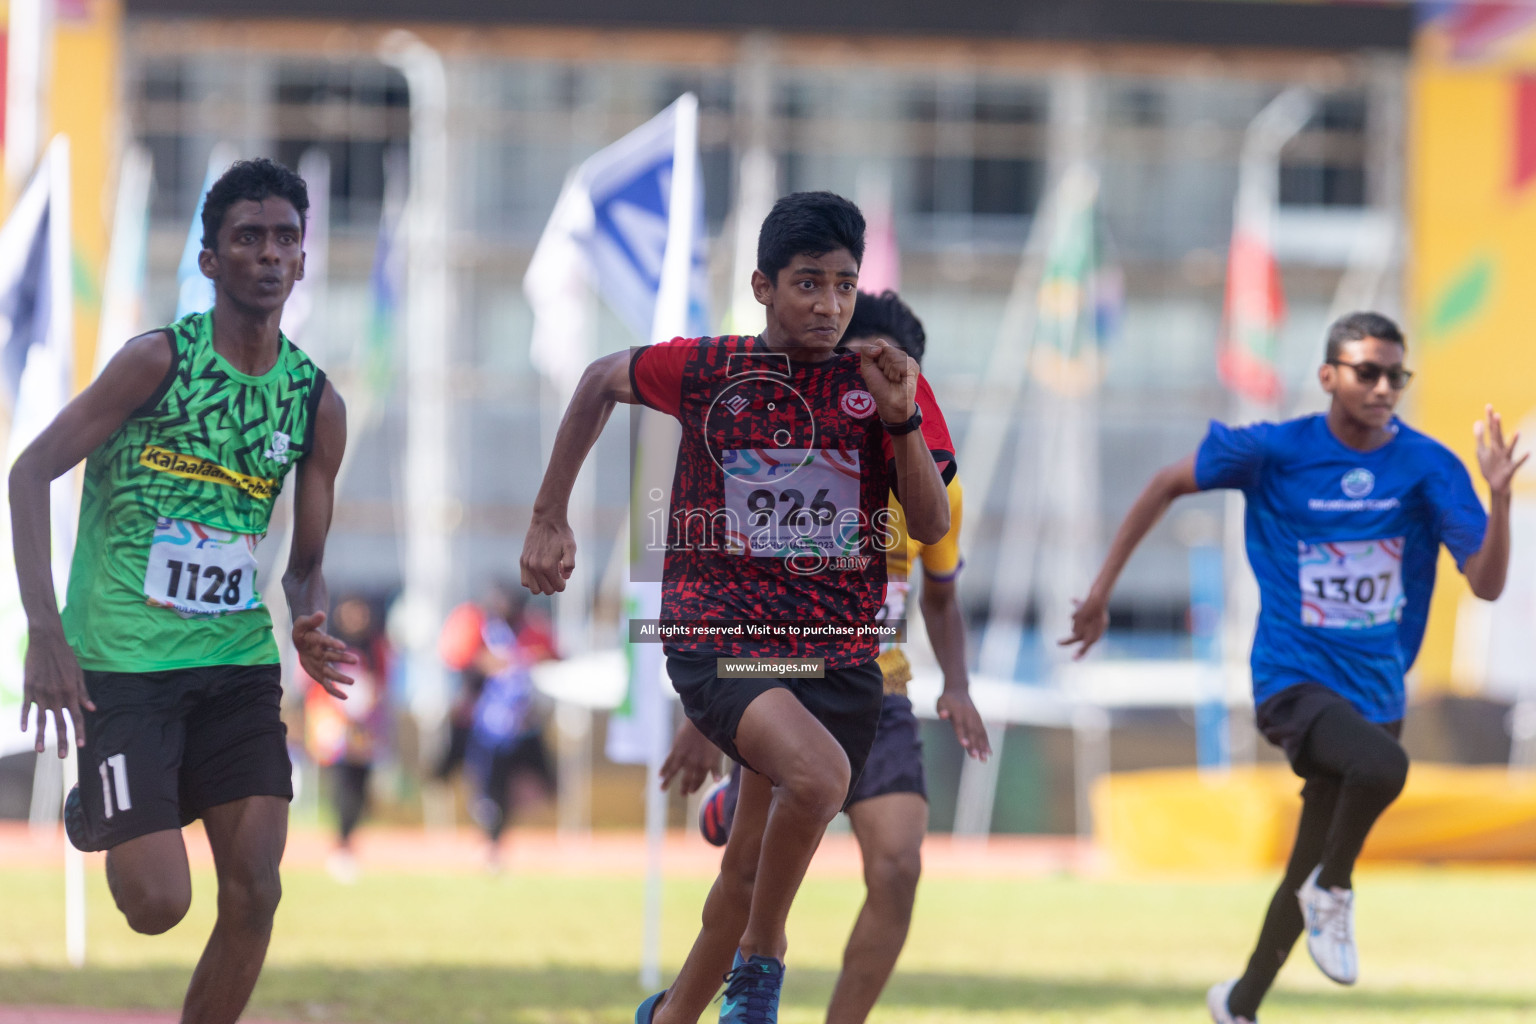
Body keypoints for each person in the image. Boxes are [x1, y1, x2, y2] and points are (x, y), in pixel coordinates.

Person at [520, 192, 956, 1024]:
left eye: (842, 285)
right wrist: (549, 515)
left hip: (836, 653)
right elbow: (598, 380)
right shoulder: (710, 368)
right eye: (806, 285)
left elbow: (931, 529)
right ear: (762, 286)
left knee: (749, 862)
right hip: (718, 631)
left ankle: (671, 1014)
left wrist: (900, 421)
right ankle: (762, 965)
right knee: (820, 776)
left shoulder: (887, 385)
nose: (827, 305)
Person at [1059, 312, 1522, 1024]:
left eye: (1395, 375)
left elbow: (1487, 583)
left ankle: (1238, 1003)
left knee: (1306, 858)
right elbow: (1163, 483)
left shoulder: (1429, 467)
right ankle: (1335, 892)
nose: (1382, 387)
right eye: (1366, 371)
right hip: (1292, 679)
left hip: (1376, 690)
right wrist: (1099, 595)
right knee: (1383, 773)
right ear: (1328, 376)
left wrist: (1498, 498)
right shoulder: (1274, 450)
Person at [13, 157, 353, 1024]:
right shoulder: (156, 363)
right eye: (248, 239)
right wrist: (45, 634)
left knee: (255, 891)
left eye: (285, 240)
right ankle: (114, 799)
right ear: (211, 260)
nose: (269, 255)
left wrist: (310, 617)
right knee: (158, 904)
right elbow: (28, 471)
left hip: (235, 663)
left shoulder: (315, 404)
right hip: (121, 667)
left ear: (303, 260)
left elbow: (304, 561)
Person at [659, 289, 990, 1024]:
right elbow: (729, 597)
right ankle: (689, 1005)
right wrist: (705, 719)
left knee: (899, 866)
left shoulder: (936, 482)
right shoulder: (783, 457)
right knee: (746, 875)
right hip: (782, 678)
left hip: (881, 687)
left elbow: (940, 592)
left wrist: (959, 684)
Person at [437, 583, 558, 869]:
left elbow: (554, 655)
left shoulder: (531, 631)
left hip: (521, 726)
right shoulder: (476, 626)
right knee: (487, 785)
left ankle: (498, 826)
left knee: (540, 782)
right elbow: (458, 658)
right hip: (484, 727)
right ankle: (490, 837)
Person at [302, 595, 391, 883]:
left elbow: (383, 681)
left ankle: (349, 840)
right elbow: (310, 683)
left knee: (360, 785)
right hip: (333, 726)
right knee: (342, 785)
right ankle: (340, 845)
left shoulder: (375, 646)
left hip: (366, 728)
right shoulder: (326, 644)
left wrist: (367, 708)